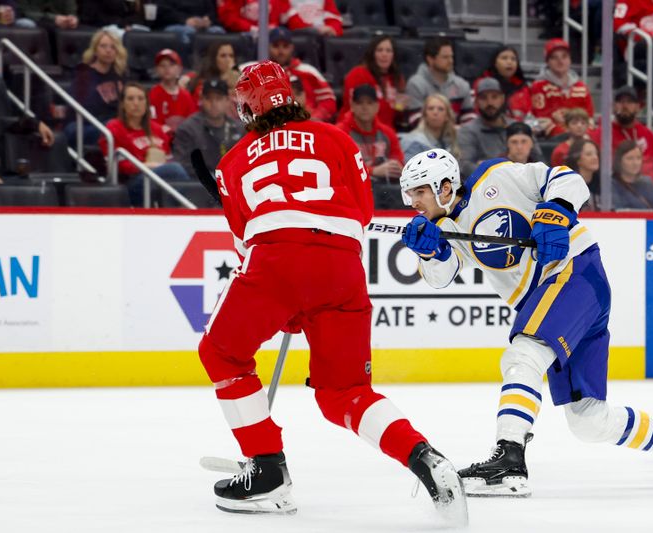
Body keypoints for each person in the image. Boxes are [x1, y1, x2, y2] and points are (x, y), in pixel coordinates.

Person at [198, 60, 468, 523]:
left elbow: (247, 242)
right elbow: (360, 214)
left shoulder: (232, 161)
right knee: (344, 392)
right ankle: (427, 459)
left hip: (276, 263)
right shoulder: (339, 138)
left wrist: (287, 303)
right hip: (342, 270)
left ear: (246, 109)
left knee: (221, 353)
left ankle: (266, 469)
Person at [397, 148, 653, 498]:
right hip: (563, 296)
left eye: (419, 192)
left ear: (445, 186)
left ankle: (509, 459)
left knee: (523, 356)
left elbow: (567, 178)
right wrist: (429, 251)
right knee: (589, 420)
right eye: (410, 195)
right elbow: (440, 276)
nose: (414, 203)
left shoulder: (494, 176)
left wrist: (556, 209)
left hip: (574, 272)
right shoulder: (443, 230)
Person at [99, 82, 191, 206]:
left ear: (147, 104)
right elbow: (116, 165)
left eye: (141, 99)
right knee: (176, 170)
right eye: (130, 99)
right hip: (130, 183)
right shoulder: (114, 127)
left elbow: (168, 160)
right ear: (122, 104)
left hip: (158, 180)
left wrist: (156, 167)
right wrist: (146, 166)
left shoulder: (158, 129)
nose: (136, 103)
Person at [589, 86, 653, 182]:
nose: (625, 106)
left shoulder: (646, 133)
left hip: (647, 187)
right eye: (620, 102)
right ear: (613, 106)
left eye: (630, 102)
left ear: (638, 107)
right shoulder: (602, 134)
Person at [66, 29, 128, 147]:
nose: (108, 50)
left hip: (111, 124)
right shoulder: (83, 74)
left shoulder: (120, 75)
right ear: (95, 50)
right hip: (83, 125)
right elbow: (87, 108)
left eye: (113, 47)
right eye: (103, 46)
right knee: (116, 127)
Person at [172, 78, 243, 178]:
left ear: (227, 100)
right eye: (208, 98)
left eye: (218, 98)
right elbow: (183, 164)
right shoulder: (187, 129)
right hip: (198, 186)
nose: (213, 103)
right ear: (201, 100)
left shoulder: (240, 129)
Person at [267, 26, 336, 122]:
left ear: (292, 47)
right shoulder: (256, 72)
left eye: (285, 46)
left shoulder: (308, 71)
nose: (281, 51)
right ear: (267, 47)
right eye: (276, 46)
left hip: (306, 122)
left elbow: (328, 100)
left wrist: (316, 117)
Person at [337, 84, 404, 181]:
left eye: (369, 103)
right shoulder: (341, 132)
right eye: (360, 103)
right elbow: (339, 167)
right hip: (353, 185)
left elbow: (399, 161)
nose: (365, 107)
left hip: (383, 187)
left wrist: (396, 166)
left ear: (377, 106)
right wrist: (373, 171)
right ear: (352, 105)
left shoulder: (388, 133)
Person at [338, 35, 406, 129]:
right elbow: (355, 109)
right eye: (379, 50)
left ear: (393, 55)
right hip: (354, 129)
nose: (384, 54)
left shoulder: (398, 79)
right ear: (372, 54)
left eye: (388, 51)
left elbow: (399, 114)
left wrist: (401, 105)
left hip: (386, 133)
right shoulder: (358, 74)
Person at [529, 39, 594, 137]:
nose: (560, 61)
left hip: (581, 136)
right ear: (548, 62)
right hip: (550, 138)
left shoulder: (582, 87)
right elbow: (540, 120)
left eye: (564, 56)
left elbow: (589, 117)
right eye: (554, 57)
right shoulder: (538, 86)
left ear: (570, 59)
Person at [405, 37, 474, 127]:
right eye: (445, 57)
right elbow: (415, 120)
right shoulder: (415, 84)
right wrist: (449, 130)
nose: (451, 61)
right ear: (430, 59)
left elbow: (469, 117)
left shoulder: (462, 85)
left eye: (451, 56)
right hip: (425, 138)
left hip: (457, 137)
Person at [457, 77, 514, 176]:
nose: (490, 103)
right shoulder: (466, 131)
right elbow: (465, 166)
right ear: (476, 102)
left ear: (502, 99)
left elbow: (539, 161)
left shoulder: (517, 128)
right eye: (484, 98)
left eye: (494, 97)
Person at [473, 45, 531, 122]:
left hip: (518, 129)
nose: (509, 62)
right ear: (495, 63)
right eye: (504, 58)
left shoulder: (524, 87)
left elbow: (530, 114)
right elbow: (476, 111)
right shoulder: (482, 84)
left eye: (513, 59)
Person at [149, 49, 198, 136]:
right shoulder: (153, 94)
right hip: (162, 137)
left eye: (171, 65)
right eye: (162, 65)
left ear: (179, 69)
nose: (167, 69)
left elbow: (193, 120)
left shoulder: (185, 95)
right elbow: (151, 120)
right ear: (157, 69)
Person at [400, 93, 460, 162]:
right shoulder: (414, 142)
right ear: (425, 114)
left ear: (447, 116)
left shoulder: (451, 141)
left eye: (440, 109)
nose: (435, 112)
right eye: (431, 108)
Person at [612, 140, 653, 210]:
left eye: (638, 158)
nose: (635, 163)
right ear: (619, 161)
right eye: (630, 158)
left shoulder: (648, 183)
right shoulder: (612, 184)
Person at [152, 0, 225, 48]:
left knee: (217, 31)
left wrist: (208, 19)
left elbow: (212, 11)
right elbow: (162, 10)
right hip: (175, 23)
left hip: (201, 25)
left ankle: (218, 67)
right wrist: (185, 20)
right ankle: (187, 65)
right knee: (188, 31)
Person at [565, 138, 601, 211]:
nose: (595, 157)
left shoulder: (603, 183)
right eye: (588, 154)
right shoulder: (567, 186)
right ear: (577, 159)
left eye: (596, 154)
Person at [277, 0, 343, 36]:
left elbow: (334, 17)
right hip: (298, 37)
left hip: (324, 37)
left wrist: (331, 28)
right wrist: (314, 31)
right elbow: (291, 18)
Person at [217, 0, 281, 33]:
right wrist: (251, 28)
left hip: (270, 34)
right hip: (245, 34)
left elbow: (283, 14)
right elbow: (229, 19)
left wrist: (271, 27)